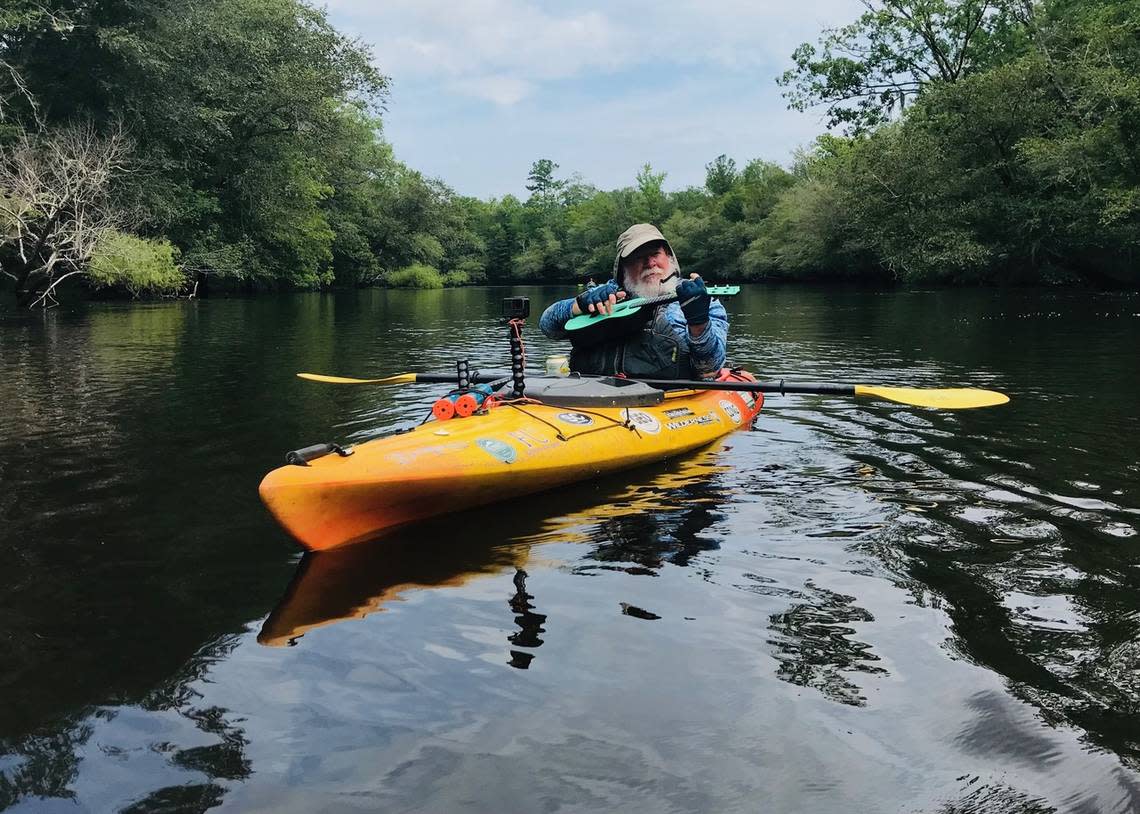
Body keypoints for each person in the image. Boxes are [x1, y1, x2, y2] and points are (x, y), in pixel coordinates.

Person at [539, 224, 727, 379]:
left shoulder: (700, 300)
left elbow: (708, 369)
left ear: (669, 258)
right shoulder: (605, 295)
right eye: (639, 257)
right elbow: (548, 327)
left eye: (655, 254)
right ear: (622, 268)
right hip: (592, 397)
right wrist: (580, 304)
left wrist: (699, 323)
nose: (650, 262)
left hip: (664, 403)